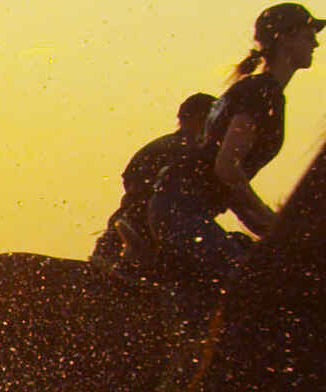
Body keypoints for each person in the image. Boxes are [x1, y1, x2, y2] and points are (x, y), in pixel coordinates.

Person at [149, 2, 322, 299]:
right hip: (182, 213)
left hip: (179, 208)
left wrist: (272, 229)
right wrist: (269, 219)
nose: (316, 43)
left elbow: (229, 184)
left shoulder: (256, 89)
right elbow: (227, 167)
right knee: (256, 291)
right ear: (285, 38)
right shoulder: (263, 93)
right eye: (309, 35)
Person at [90, 92, 216, 278]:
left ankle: (107, 255)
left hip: (128, 225)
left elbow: (130, 180)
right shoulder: (192, 152)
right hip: (150, 232)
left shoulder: (160, 145)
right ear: (200, 118)